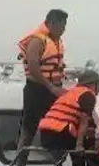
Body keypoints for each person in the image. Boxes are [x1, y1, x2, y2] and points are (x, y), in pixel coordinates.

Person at [35, 68, 99, 166]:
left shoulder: (70, 93)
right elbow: (83, 121)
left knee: (63, 150)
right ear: (92, 84)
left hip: (45, 133)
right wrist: (79, 145)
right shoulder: (88, 95)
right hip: (61, 132)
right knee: (90, 144)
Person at [16, 9, 69, 150]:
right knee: (27, 132)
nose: (64, 29)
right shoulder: (37, 40)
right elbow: (33, 67)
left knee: (54, 130)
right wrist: (50, 86)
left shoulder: (57, 41)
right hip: (36, 90)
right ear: (51, 23)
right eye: (62, 25)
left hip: (53, 91)